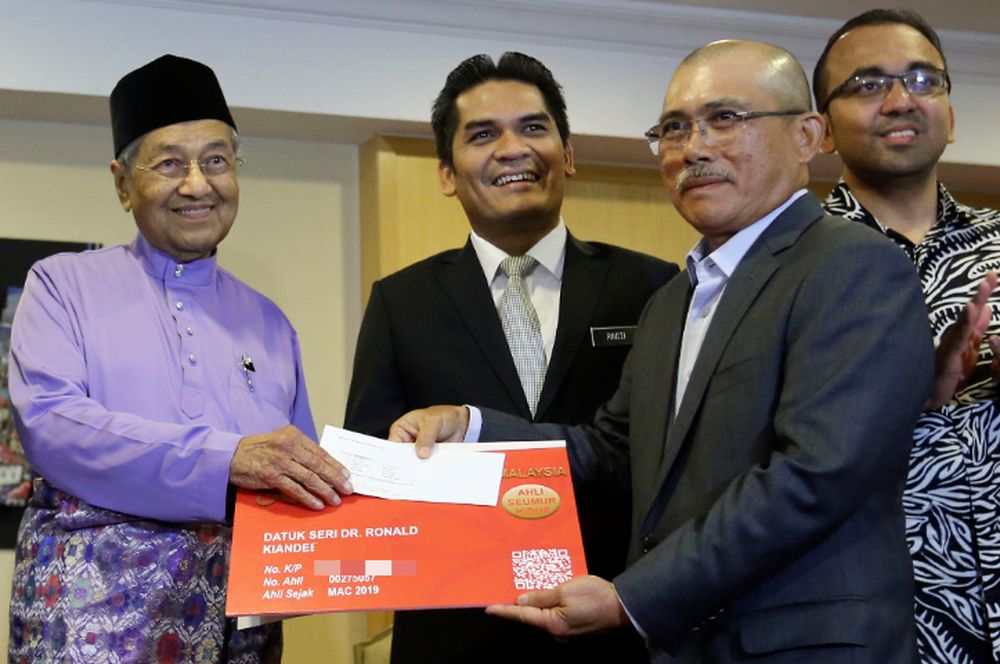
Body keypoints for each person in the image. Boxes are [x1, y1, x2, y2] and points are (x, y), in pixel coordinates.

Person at [389, 40, 935, 662]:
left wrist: (632, 598)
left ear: (807, 136)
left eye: (726, 118)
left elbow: (816, 475)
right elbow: (612, 449)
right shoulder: (673, 300)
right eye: (674, 128)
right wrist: (472, 426)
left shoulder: (854, 265)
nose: (694, 147)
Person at [6, 54, 353, 663]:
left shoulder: (270, 323)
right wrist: (227, 458)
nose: (198, 184)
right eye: (170, 163)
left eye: (217, 160)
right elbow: (53, 426)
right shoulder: (61, 285)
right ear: (122, 182)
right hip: (90, 630)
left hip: (237, 631)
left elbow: (297, 476)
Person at [344, 51, 677, 663]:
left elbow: (672, 462)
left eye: (533, 127)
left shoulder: (654, 287)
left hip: (615, 632)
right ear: (447, 173)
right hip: (453, 638)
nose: (511, 148)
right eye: (482, 134)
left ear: (567, 154)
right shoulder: (401, 301)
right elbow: (374, 473)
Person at [815, 9, 1000, 662]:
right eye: (867, 85)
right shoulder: (783, 266)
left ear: (950, 116)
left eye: (924, 80)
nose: (900, 99)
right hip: (870, 627)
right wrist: (908, 390)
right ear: (822, 130)